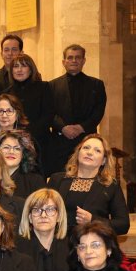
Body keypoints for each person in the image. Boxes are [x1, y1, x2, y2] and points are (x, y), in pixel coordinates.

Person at [48, 134, 130, 235]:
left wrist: (93, 220)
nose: (90, 153)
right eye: (86, 148)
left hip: (91, 245)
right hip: (59, 245)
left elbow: (123, 224)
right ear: (78, 153)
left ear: (104, 160)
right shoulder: (57, 179)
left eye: (97, 150)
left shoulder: (111, 185)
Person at [49, 44, 107, 177]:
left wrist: (81, 127)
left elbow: (99, 111)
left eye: (78, 57)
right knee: (61, 179)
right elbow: (49, 112)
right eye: (70, 58)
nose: (74, 60)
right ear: (64, 62)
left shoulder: (96, 85)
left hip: (86, 140)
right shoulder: (52, 85)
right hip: (60, 143)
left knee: (87, 177)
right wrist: (63, 128)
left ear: (84, 60)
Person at [5, 53, 54, 157]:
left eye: (23, 66)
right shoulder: (6, 93)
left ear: (31, 69)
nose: (19, 70)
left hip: (40, 141)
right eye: (16, 66)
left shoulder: (43, 87)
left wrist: (29, 135)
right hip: (13, 141)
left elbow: (48, 114)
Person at [0, 129, 45, 198]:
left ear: (23, 154)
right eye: (6, 147)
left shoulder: (35, 181)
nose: (11, 152)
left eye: (17, 148)